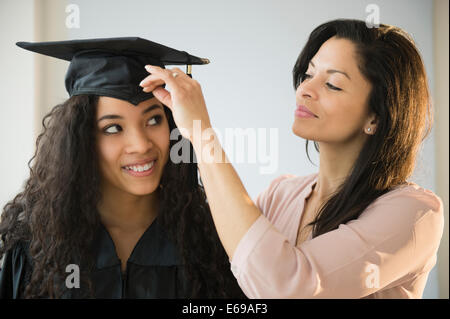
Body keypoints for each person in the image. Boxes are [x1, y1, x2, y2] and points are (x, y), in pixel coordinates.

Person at [139, 19, 445, 298]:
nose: (304, 90)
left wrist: (202, 132)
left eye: (332, 84)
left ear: (376, 117)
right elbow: (216, 269)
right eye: (309, 74)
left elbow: (286, 287)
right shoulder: (280, 195)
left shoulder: (414, 214)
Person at [0, 37, 245, 299]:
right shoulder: (35, 250)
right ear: (82, 141)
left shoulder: (209, 245)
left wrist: (202, 130)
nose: (140, 145)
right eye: (113, 128)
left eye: (153, 119)